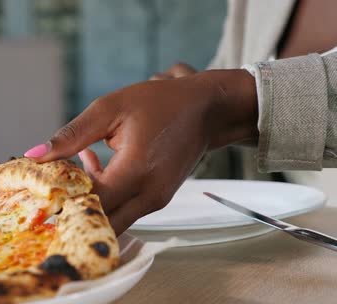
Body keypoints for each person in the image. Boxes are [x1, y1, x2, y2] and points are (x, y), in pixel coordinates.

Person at [23, 0, 337, 235]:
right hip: (270, 256)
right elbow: (231, 85)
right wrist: (184, 109)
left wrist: (216, 102)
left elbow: (226, 97)